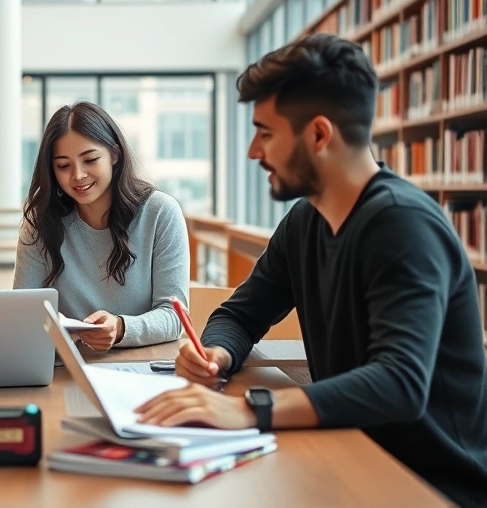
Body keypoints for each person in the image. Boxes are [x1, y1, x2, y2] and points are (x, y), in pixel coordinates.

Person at [135, 33, 487, 507]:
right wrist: (216, 354)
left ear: (320, 135)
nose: (253, 152)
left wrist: (250, 409)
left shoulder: (403, 226)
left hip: (426, 487)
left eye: (266, 133)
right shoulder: (307, 221)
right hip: (344, 456)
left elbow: (399, 382)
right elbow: (240, 315)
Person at [13, 101, 189, 351]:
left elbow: (174, 317)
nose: (78, 175)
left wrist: (120, 328)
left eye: (90, 160)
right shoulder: (41, 223)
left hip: (143, 364)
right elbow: (21, 312)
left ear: (114, 155)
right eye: (63, 165)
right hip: (69, 365)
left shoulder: (160, 212)